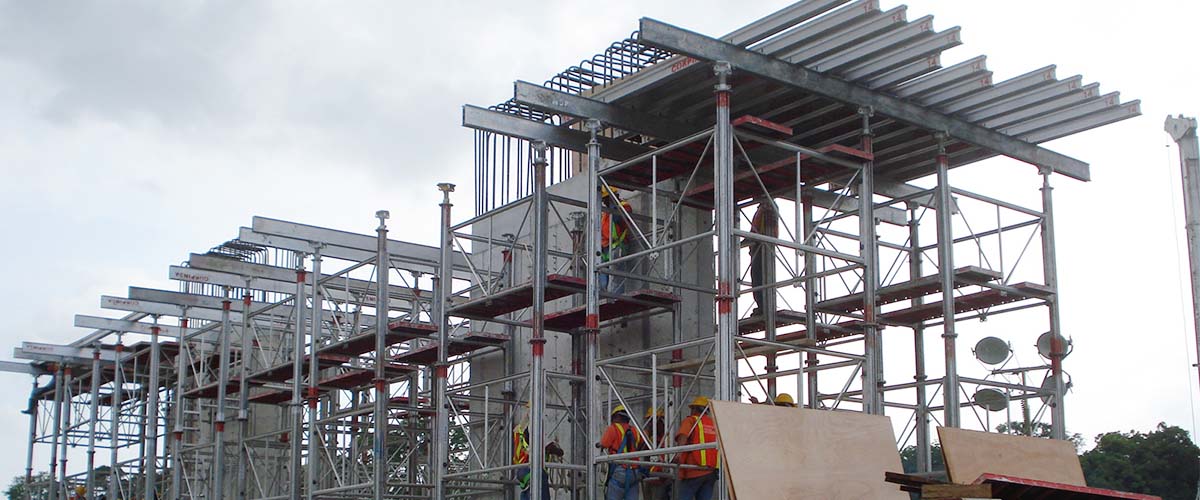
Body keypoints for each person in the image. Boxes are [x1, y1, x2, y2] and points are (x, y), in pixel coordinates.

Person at [675, 396, 719, 500]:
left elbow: (683, 435)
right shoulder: (713, 423)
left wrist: (678, 454)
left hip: (694, 468)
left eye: (692, 408)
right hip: (711, 470)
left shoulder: (691, 420)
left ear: (695, 409)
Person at [599, 405, 643, 500]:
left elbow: (603, 444)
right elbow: (642, 446)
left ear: (616, 417)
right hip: (634, 472)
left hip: (619, 470)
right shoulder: (635, 430)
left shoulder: (613, 428)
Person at [599, 186, 634, 294]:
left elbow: (619, 219)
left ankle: (615, 300)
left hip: (617, 246)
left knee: (616, 279)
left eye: (605, 199)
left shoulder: (624, 206)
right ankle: (603, 301)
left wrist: (614, 206)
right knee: (601, 283)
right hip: (604, 249)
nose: (604, 202)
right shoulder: (605, 212)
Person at [513, 423, 560, 500]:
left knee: (526, 494)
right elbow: (551, 447)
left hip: (522, 473)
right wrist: (558, 450)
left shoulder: (520, 433)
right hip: (535, 471)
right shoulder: (535, 428)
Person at [749, 198, 778, 315]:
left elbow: (758, 229)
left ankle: (764, 305)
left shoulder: (767, 209)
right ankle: (762, 305)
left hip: (761, 247)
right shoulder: (765, 209)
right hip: (760, 246)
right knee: (758, 277)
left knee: (760, 277)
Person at [642, 407, 671, 500]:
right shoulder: (652, 438)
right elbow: (641, 449)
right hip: (651, 476)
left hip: (660, 477)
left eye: (650, 422)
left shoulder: (665, 438)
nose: (649, 424)